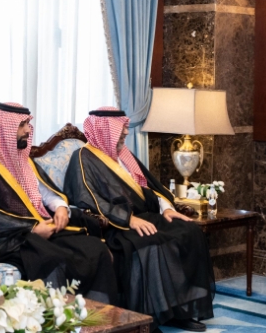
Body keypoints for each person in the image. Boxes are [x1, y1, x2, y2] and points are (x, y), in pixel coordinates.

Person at [63, 107, 214, 332]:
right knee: (150, 243)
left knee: (188, 231)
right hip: (115, 226)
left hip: (146, 215)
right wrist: (129, 220)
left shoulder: (124, 154)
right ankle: (148, 318)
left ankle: (179, 311)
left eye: (125, 127)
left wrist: (166, 209)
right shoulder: (83, 157)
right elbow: (88, 199)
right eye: (121, 128)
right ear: (105, 130)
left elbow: (148, 187)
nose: (126, 132)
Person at [0, 102, 117, 303]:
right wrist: (32, 229)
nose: (28, 130)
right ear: (3, 130)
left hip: (43, 231)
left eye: (28, 124)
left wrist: (60, 207)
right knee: (53, 260)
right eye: (22, 125)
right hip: (10, 240)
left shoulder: (24, 161)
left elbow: (46, 193)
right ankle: (58, 317)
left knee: (95, 248)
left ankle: (98, 315)